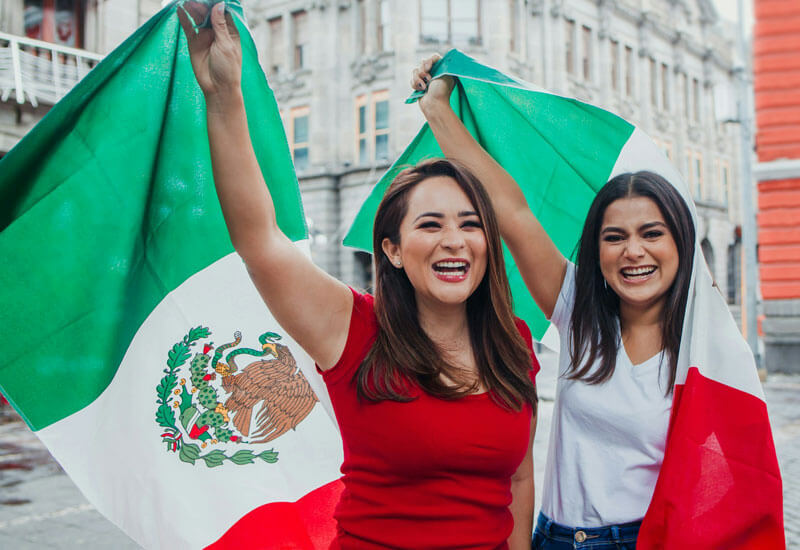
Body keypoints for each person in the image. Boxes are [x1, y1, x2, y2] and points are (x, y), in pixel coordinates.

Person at [178, 4, 539, 548]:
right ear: (392, 250)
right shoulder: (353, 329)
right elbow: (261, 242)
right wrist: (223, 95)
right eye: (430, 225)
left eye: (470, 224)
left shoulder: (515, 341)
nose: (454, 240)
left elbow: (519, 480)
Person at [412, 56, 697, 550]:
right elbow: (512, 210)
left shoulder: (702, 346)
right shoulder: (579, 310)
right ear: (596, 250)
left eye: (652, 234)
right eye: (614, 237)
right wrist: (437, 109)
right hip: (555, 537)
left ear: (681, 244)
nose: (633, 251)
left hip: (644, 540)